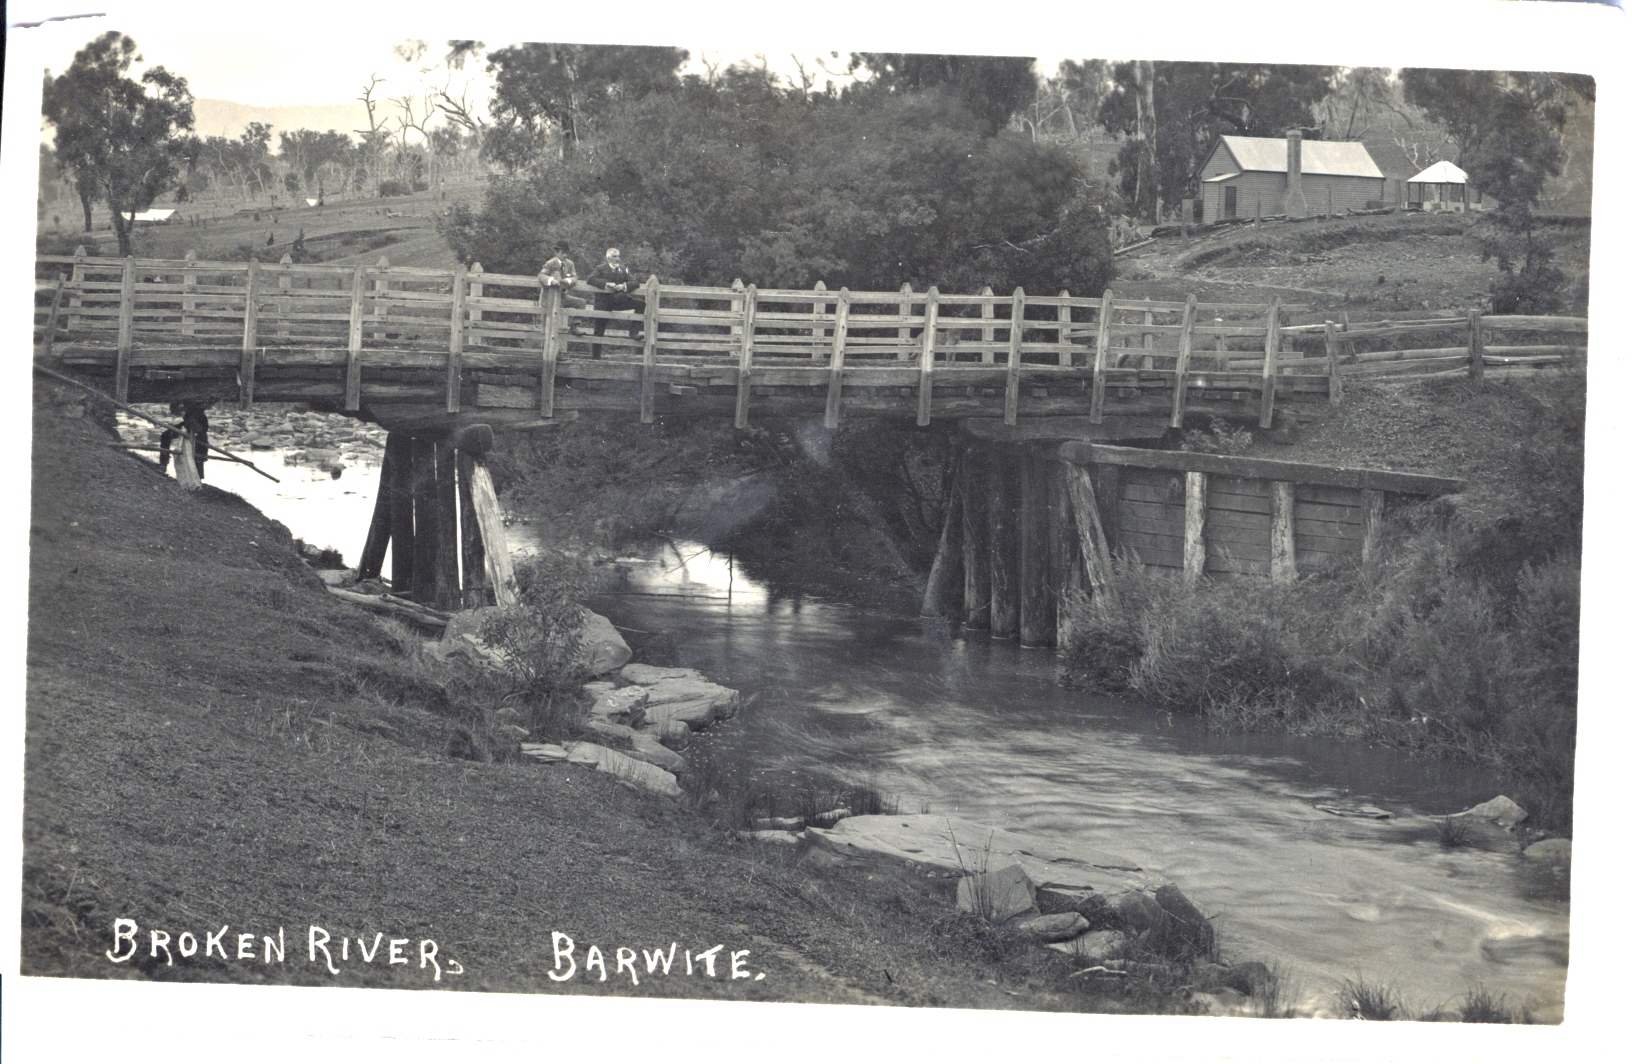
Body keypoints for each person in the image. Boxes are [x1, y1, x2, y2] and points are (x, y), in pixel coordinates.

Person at [585, 247, 645, 358]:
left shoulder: (623, 269)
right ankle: (595, 358)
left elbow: (635, 282)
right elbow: (590, 279)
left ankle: (633, 333)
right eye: (614, 256)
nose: (617, 259)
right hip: (603, 303)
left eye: (618, 256)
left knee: (641, 303)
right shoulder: (600, 268)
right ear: (608, 258)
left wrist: (624, 286)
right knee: (599, 330)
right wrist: (607, 284)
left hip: (618, 301)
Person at [158, 401, 210, 480]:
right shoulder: (188, 408)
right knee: (166, 435)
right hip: (188, 428)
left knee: (198, 454)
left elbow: (200, 430)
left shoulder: (199, 414)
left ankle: (198, 479)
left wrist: (192, 426)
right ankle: (163, 463)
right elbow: (185, 423)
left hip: (198, 435)